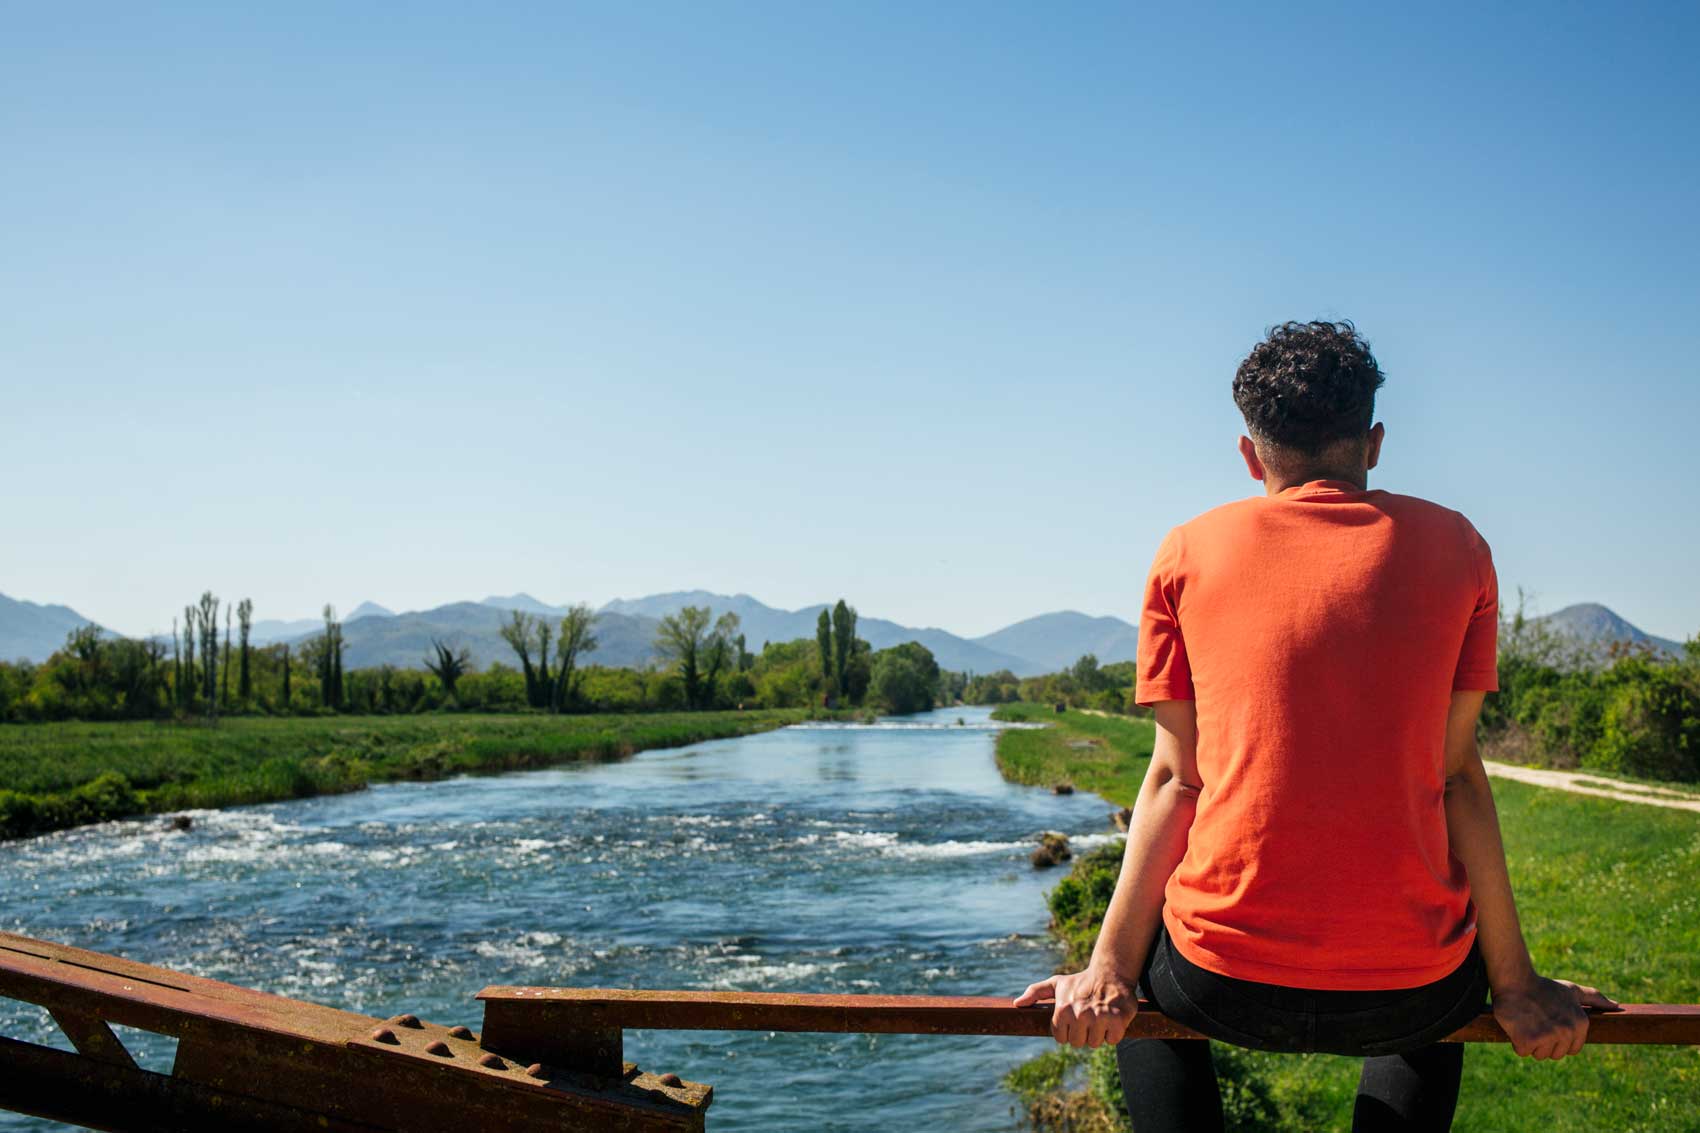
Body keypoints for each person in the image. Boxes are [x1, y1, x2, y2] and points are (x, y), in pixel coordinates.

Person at [1012, 321, 1617, 1132]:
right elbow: (1458, 773)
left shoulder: (1187, 551)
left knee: (1146, 994)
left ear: (1250, 454)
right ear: (1372, 443)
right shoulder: (1460, 546)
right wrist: (1514, 983)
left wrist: (1105, 968)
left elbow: (1173, 777)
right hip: (1412, 989)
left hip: (1219, 979)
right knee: (1438, 998)